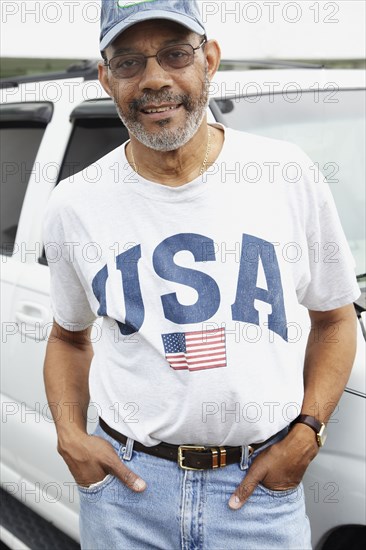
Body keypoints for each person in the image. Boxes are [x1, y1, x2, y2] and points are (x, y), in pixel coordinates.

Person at [42, 1, 360, 548]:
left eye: (175, 54)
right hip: (127, 494)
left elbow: (334, 319)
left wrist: (309, 430)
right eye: (129, 62)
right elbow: (68, 339)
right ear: (105, 77)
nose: (155, 80)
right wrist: (70, 435)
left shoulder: (286, 175)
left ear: (209, 59)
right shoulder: (76, 204)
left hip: (260, 496)